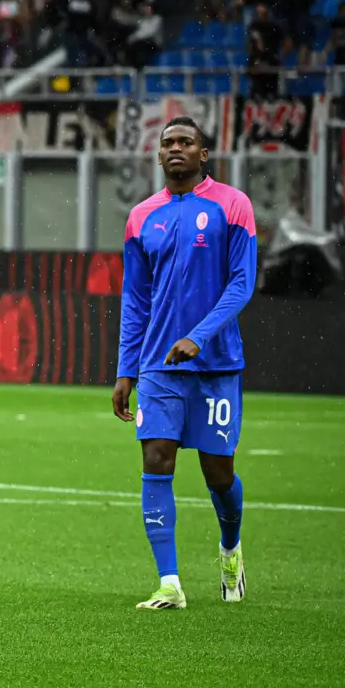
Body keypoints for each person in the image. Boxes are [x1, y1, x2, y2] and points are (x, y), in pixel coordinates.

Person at [113, 116, 256, 611]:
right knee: (156, 460)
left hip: (216, 363)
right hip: (157, 365)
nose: (176, 149)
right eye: (168, 143)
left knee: (218, 474)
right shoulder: (140, 217)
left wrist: (198, 336)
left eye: (186, 142)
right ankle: (169, 582)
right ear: (158, 155)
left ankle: (231, 546)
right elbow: (135, 299)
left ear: (203, 154)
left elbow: (242, 283)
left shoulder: (233, 205)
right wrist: (125, 369)